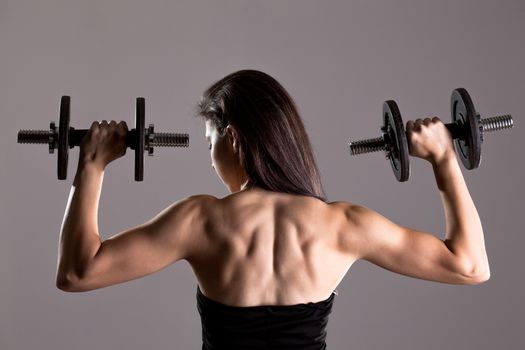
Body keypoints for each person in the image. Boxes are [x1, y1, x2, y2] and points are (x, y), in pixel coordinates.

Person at [55, 70, 490, 350]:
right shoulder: (343, 225)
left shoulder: (200, 220)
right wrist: (444, 158)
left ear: (235, 138)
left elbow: (78, 273)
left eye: (211, 143)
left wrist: (92, 165)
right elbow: (470, 266)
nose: (210, 158)